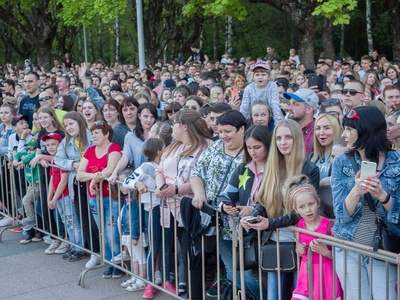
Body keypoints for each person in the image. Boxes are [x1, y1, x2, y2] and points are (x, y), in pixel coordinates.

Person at [241, 119, 319, 300]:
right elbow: (263, 201)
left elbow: (303, 211)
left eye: (288, 137)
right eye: (279, 138)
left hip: (300, 243)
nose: (283, 142)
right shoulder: (272, 166)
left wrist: (270, 223)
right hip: (275, 242)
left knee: (299, 294)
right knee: (274, 296)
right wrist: (253, 217)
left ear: (297, 139)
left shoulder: (309, 169)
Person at [331, 106, 400, 299]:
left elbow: (398, 216)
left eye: (349, 129)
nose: (344, 134)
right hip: (348, 247)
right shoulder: (341, 162)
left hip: (383, 249)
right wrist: (356, 191)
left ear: (365, 130)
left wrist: (382, 195)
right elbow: (341, 215)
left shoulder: (397, 162)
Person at [189, 110, 246, 300]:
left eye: (228, 131)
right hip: (218, 219)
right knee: (230, 265)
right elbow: (196, 172)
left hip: (243, 221)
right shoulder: (215, 147)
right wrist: (199, 194)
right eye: (220, 131)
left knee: (248, 268)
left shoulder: (251, 149)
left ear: (242, 129)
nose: (223, 136)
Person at [219, 125, 272, 299]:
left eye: (257, 147)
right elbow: (226, 194)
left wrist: (254, 209)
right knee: (248, 274)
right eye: (249, 148)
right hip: (247, 233)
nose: (253, 152)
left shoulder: (275, 170)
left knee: (270, 276)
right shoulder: (243, 168)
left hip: (269, 232)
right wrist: (225, 205)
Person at [54, 112, 100, 268]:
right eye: (66, 125)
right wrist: (73, 165)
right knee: (84, 219)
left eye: (71, 124)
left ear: (79, 122)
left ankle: (104, 252)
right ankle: (94, 252)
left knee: (96, 220)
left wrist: (85, 165)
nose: (68, 128)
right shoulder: (67, 142)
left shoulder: (92, 136)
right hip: (77, 183)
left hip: (93, 182)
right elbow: (58, 159)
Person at [77, 121, 122, 278]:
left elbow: (110, 169)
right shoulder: (90, 151)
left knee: (112, 233)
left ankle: (118, 263)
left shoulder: (114, 148)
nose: (93, 135)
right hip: (94, 198)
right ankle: (109, 262)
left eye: (97, 132)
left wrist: (95, 180)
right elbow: (79, 174)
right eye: (92, 132)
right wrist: (94, 177)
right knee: (102, 231)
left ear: (106, 134)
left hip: (111, 197)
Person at [290, 175, 343, 300]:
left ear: (318, 202)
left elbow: (341, 256)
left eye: (311, 204)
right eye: (302, 207)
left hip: (326, 273)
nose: (308, 210)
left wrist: (325, 251)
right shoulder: (299, 226)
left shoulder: (329, 226)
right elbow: (299, 251)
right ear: (295, 209)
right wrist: (300, 250)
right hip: (306, 274)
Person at [122, 138, 164, 292]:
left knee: (160, 244)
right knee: (154, 244)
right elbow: (127, 180)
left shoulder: (160, 166)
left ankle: (157, 276)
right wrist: (137, 184)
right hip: (152, 208)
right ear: (159, 151)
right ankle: (149, 279)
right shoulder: (147, 166)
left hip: (162, 208)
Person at [45, 132, 86, 261]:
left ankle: (79, 248)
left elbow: (63, 181)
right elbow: (52, 180)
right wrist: (49, 197)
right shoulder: (53, 160)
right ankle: (73, 246)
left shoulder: (62, 161)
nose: (50, 147)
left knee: (72, 222)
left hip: (66, 195)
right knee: (66, 222)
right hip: (58, 197)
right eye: (48, 145)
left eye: (54, 144)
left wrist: (54, 198)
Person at [240, 61, 281, 126]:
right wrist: (241, 123)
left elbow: (275, 104)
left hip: (269, 118)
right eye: (257, 75)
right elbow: (245, 107)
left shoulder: (272, 86)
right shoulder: (249, 88)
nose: (260, 77)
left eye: (263, 74)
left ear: (269, 76)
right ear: (253, 77)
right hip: (253, 118)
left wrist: (278, 123)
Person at [310, 113, 342, 180]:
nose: (321, 133)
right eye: (318, 128)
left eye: (327, 128)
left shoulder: (342, 157)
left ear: (337, 130)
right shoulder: (312, 157)